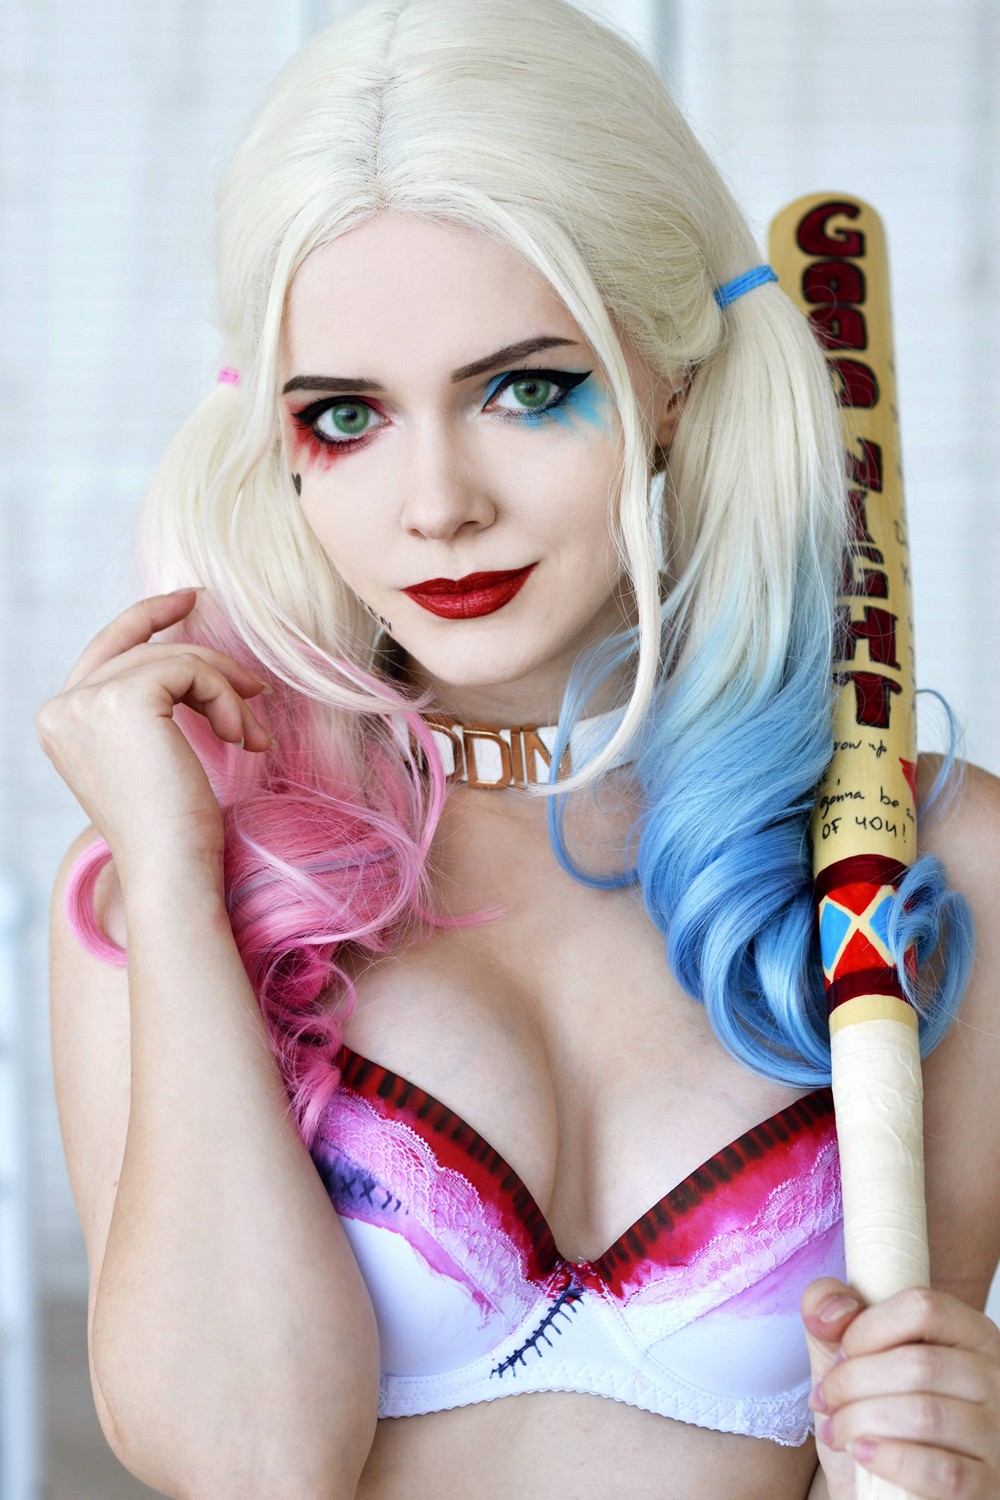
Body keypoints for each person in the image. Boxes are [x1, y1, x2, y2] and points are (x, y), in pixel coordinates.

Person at [36, 1, 1000, 1496]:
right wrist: (171, 874)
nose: (439, 505)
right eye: (347, 416)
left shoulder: (936, 861)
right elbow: (251, 1461)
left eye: (527, 389)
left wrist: (956, 1457)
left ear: (670, 383)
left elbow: (892, 1470)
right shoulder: (181, 870)